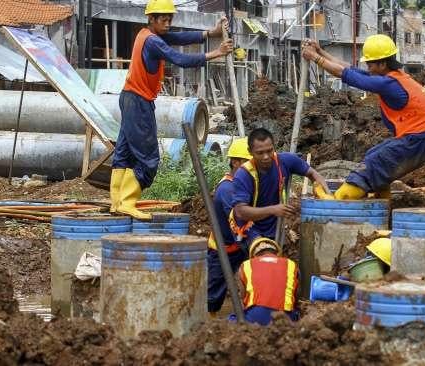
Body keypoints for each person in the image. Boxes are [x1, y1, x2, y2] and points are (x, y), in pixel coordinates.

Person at [109, 0, 234, 219]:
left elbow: (178, 38)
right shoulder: (153, 42)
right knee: (149, 159)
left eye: (170, 19)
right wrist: (216, 53)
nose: (167, 23)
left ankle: (116, 202)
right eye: (163, 20)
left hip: (129, 98)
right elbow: (180, 59)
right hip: (138, 102)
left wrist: (210, 33)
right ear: (151, 19)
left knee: (124, 152)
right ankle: (127, 203)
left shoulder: (146, 35)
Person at [302, 34, 425, 200]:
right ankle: (382, 198)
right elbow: (350, 69)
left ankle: (341, 200)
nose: (368, 68)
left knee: (373, 165)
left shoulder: (387, 84)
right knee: (373, 155)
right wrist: (320, 52)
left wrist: (314, 57)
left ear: (383, 63)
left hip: (418, 140)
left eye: (370, 64)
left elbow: (345, 74)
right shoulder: (393, 78)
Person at [231, 128, 331, 247]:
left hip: (274, 227)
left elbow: (313, 174)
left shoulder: (285, 161)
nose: (266, 157)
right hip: (249, 227)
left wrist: (328, 197)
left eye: (269, 151)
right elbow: (241, 212)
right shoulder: (244, 174)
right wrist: (273, 210)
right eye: (260, 153)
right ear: (250, 151)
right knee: (264, 255)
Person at [206, 137, 252, 317]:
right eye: (248, 163)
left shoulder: (244, 184)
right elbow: (237, 221)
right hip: (223, 248)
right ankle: (209, 322)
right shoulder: (227, 190)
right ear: (235, 162)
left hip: (239, 245)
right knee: (213, 293)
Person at [237, 237, 299, 325]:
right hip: (284, 316)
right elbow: (295, 295)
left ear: (254, 255)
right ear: (277, 253)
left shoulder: (246, 265)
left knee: (233, 318)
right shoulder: (291, 264)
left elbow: (242, 297)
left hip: (256, 315)